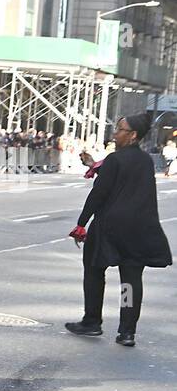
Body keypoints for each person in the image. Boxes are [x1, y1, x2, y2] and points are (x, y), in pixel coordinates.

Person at [65, 113, 173, 346]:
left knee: (94, 271)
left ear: (133, 135)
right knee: (130, 281)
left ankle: (92, 321)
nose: (115, 133)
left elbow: (99, 193)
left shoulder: (115, 159)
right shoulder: (145, 161)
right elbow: (121, 177)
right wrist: (94, 164)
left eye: (120, 129)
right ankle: (127, 332)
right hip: (138, 230)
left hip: (110, 227)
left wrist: (81, 223)